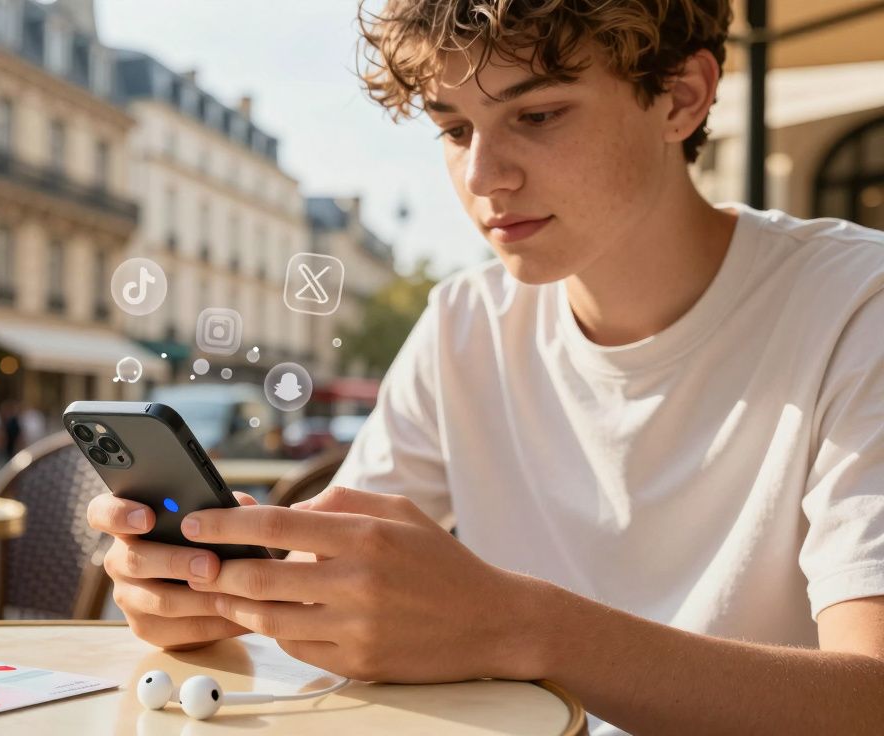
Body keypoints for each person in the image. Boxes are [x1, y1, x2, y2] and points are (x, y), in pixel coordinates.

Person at [86, 1, 884, 733]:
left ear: (682, 97)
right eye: (455, 128)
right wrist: (217, 591)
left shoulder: (857, 304)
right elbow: (333, 597)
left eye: (536, 115)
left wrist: (519, 628)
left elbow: (871, 698)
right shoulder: (465, 321)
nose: (481, 177)